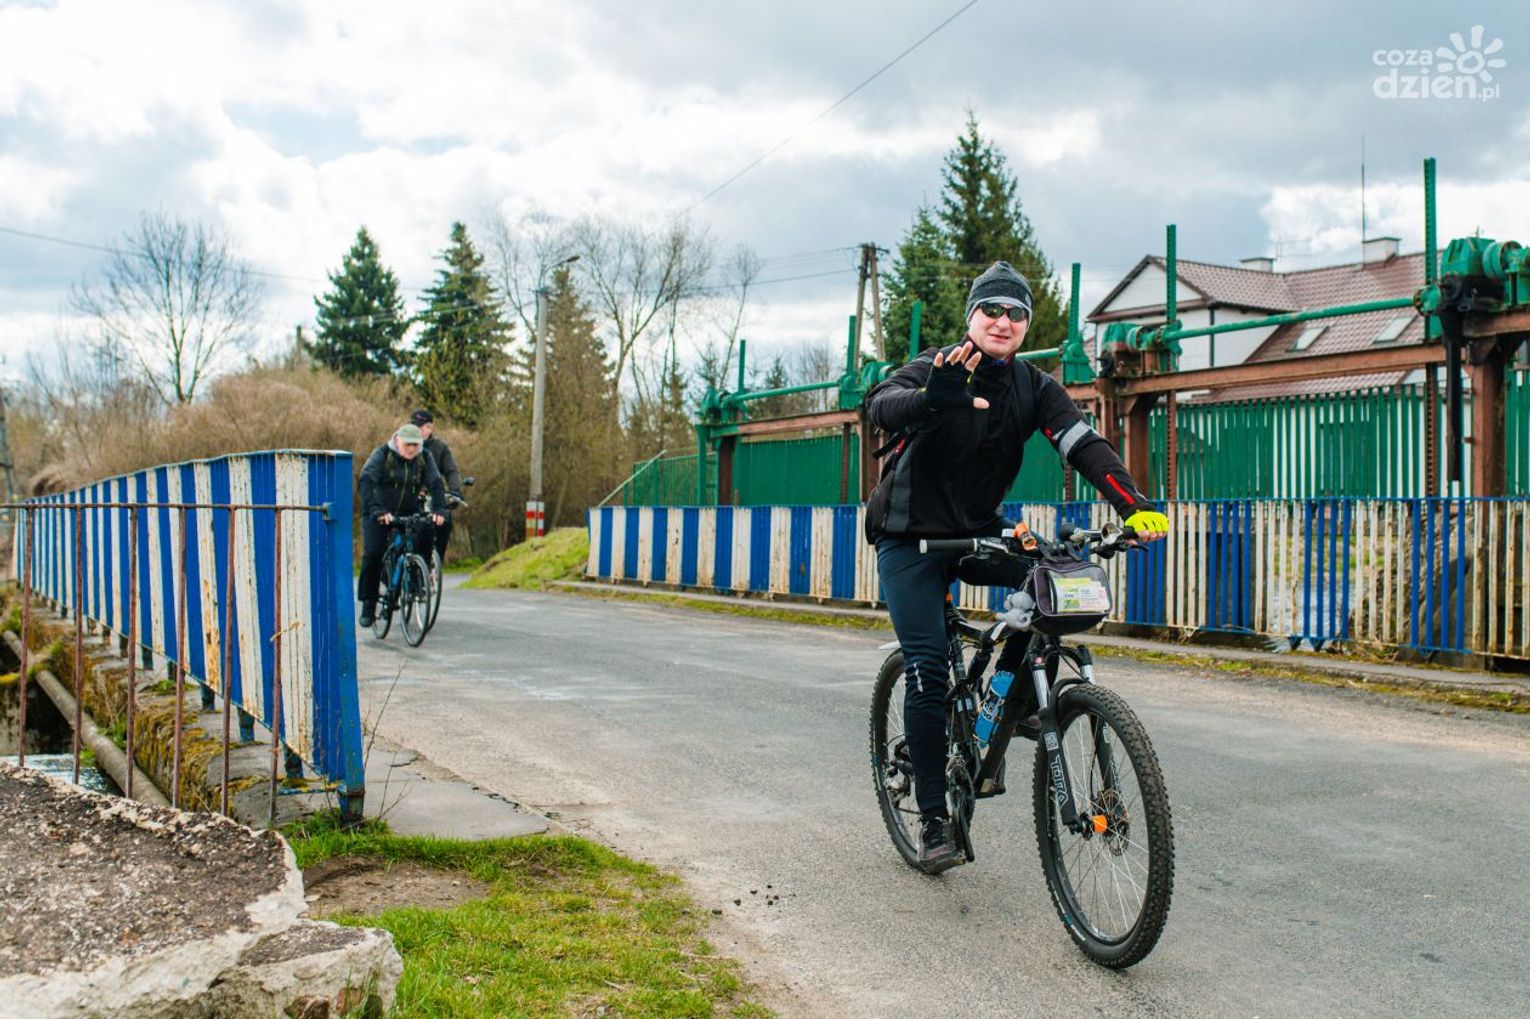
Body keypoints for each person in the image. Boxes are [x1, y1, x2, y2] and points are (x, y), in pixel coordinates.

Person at [865, 261, 1169, 870]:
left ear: (1027, 324)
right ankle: (933, 821)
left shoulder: (1034, 387)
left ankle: (1012, 698)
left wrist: (1132, 504)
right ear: (972, 316)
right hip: (909, 537)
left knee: (1053, 574)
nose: (1003, 322)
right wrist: (929, 400)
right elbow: (880, 404)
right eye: (992, 310)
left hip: (978, 529)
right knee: (927, 671)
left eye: (1017, 313)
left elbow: (1081, 443)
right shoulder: (940, 365)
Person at [357, 423, 446, 627]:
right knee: (374, 553)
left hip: (409, 510)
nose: (412, 449)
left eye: (416, 445)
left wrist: (440, 510)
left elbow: (435, 483)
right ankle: (369, 603)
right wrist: (377, 510)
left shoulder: (424, 458)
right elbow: (366, 480)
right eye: (408, 445)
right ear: (398, 441)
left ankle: (418, 577)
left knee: (426, 529)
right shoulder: (382, 454)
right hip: (379, 511)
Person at [409, 409, 463, 563]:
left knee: (445, 520)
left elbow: (451, 471)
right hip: (409, 497)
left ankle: (435, 562)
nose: (416, 430)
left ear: (430, 428)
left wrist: (455, 492)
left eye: (420, 427)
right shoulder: (405, 446)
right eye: (413, 426)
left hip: (433, 497)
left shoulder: (441, 448)